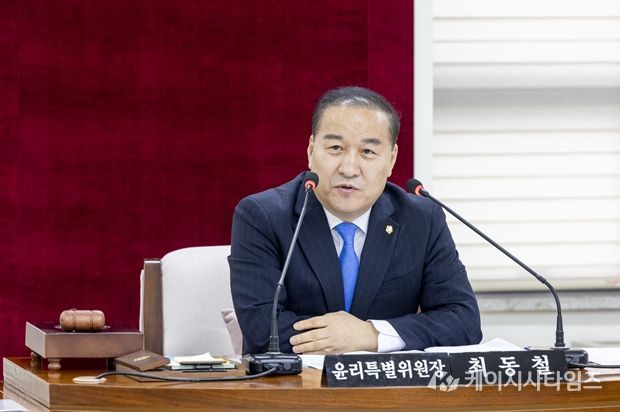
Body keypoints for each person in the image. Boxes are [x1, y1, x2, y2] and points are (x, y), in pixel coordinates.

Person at [229, 86, 481, 355]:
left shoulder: (421, 219)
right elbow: (262, 330)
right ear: (311, 151)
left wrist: (371, 335)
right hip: (296, 381)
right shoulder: (262, 216)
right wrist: (338, 338)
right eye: (335, 148)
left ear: (391, 159)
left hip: (385, 382)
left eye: (368, 151)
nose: (349, 169)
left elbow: (463, 321)